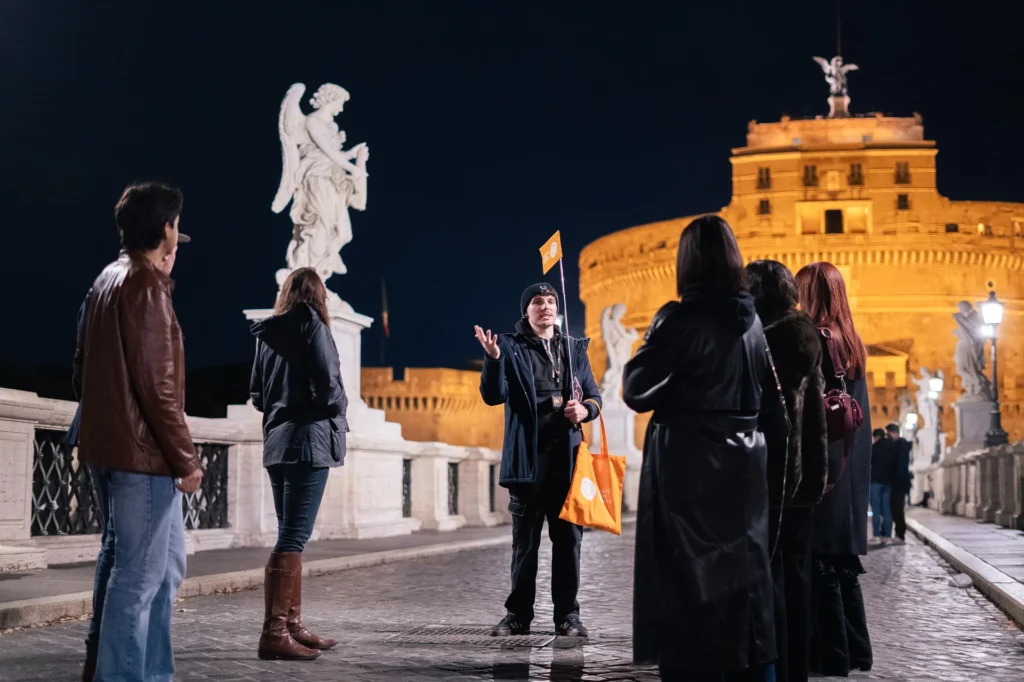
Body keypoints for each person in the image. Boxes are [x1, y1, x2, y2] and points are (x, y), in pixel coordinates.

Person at [624, 215, 775, 682]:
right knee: (745, 577)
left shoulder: (681, 318)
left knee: (690, 583)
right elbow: (768, 398)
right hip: (745, 465)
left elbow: (636, 388)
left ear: (686, 261)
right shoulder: (752, 325)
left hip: (691, 466)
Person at [75, 182, 203, 682]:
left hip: (108, 447)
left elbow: (80, 363)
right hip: (141, 456)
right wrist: (186, 460)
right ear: (166, 228)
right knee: (140, 579)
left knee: (161, 569)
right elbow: (158, 388)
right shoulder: (144, 285)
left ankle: (151, 672)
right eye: (176, 226)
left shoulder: (107, 278)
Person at [475, 282, 602, 638]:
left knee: (568, 545)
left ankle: (568, 617)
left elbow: (594, 396)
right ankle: (517, 617)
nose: (545, 307)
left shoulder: (574, 349)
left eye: (550, 301)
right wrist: (493, 359)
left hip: (567, 462)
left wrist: (585, 410)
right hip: (527, 464)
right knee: (524, 546)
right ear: (526, 311)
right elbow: (493, 396)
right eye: (536, 302)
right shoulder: (510, 346)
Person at [250, 267, 348, 660]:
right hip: (308, 442)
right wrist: (339, 404)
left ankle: (290, 625)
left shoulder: (266, 335)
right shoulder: (314, 329)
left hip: (277, 444)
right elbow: (328, 386)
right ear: (318, 296)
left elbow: (257, 395)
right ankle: (274, 633)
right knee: (293, 537)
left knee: (290, 533)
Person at [747, 259, 829, 682]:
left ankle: (772, 668)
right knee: (796, 580)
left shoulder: (767, 340)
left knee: (769, 582)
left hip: (772, 477)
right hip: (803, 480)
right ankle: (797, 667)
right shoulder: (805, 333)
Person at [796, 262, 873, 677]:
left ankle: (833, 656)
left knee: (821, 560)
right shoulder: (852, 340)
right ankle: (858, 651)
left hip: (825, 461)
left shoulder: (818, 338)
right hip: (851, 461)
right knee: (841, 561)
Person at [869, 428, 896, 545]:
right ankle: (888, 536)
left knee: (876, 510)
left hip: (875, 482)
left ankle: (876, 535)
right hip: (888, 483)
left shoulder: (874, 447)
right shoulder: (892, 447)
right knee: (887, 510)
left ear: (875, 437)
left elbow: (869, 462)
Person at [887, 423, 913, 543]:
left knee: (897, 509)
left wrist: (896, 480)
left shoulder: (900, 444)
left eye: (888, 433)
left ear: (893, 433)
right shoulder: (901, 444)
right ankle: (899, 533)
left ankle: (900, 535)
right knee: (896, 508)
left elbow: (901, 465)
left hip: (898, 483)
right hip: (899, 482)